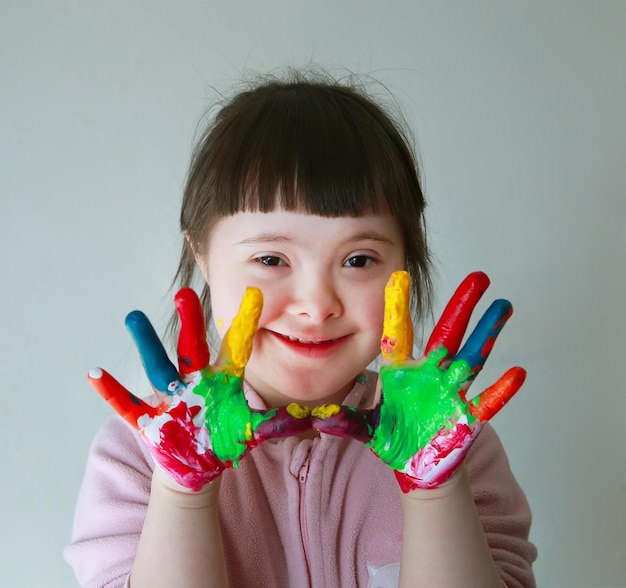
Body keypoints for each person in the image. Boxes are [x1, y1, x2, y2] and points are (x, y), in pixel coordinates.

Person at [64, 69, 537, 588]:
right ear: (201, 256)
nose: (316, 305)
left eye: (358, 259)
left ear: (406, 265)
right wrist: (182, 490)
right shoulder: (141, 451)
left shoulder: (455, 441)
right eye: (270, 257)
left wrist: (435, 490)